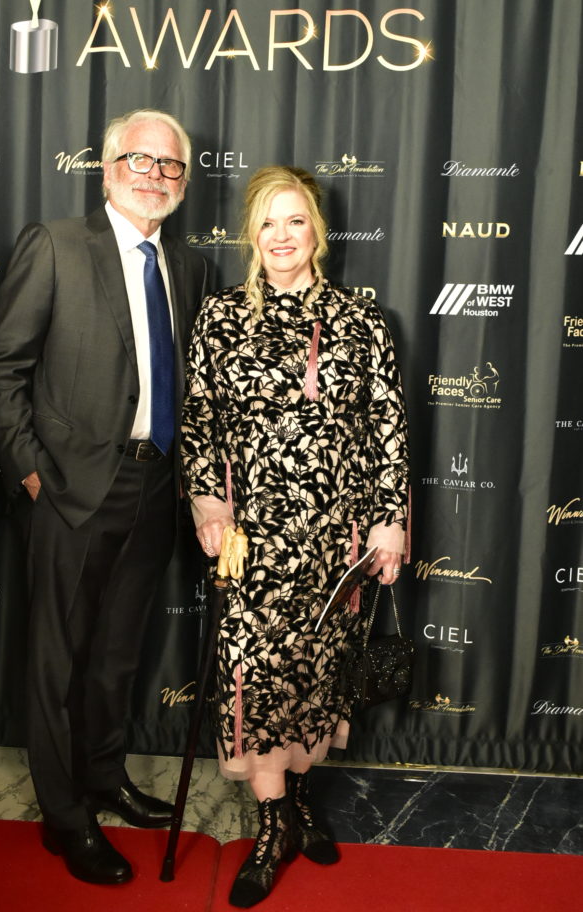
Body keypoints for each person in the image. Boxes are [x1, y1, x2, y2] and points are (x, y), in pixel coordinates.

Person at [0, 109, 207, 885]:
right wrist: (32, 471)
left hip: (156, 485)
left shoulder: (189, 266)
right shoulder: (54, 245)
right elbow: (4, 369)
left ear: (184, 182)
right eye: (140, 160)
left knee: (117, 655)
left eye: (170, 165)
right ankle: (64, 815)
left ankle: (106, 779)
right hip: (70, 490)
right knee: (58, 662)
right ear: (108, 168)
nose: (155, 175)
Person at [181, 166, 409, 907]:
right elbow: (200, 422)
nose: (282, 236)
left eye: (296, 221)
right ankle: (273, 824)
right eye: (268, 223)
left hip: (338, 542)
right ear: (251, 234)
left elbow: (388, 428)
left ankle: (300, 803)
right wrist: (209, 506)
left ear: (318, 230)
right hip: (254, 542)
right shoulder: (219, 317)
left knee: (317, 676)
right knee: (260, 678)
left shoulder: (362, 319)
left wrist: (390, 521)